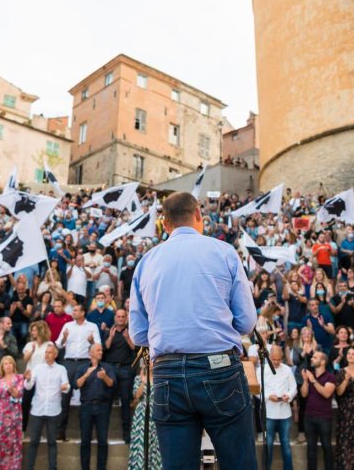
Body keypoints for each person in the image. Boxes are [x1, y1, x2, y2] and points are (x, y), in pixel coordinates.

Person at [129, 192, 258, 470]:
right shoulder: (224, 252)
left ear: (164, 223)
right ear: (199, 214)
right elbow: (247, 322)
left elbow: (139, 335)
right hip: (219, 369)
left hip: (167, 373)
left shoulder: (146, 262)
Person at [54, 302, 101, 441]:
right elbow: (58, 344)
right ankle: (60, 432)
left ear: (82, 313)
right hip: (69, 363)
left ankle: (87, 433)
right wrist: (64, 337)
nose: (73, 312)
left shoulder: (92, 327)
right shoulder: (67, 326)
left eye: (75, 310)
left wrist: (92, 341)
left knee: (86, 398)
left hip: (85, 363)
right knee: (65, 398)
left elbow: (98, 346)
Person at [24, 342, 70, 470]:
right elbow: (28, 386)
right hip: (38, 410)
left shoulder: (61, 369)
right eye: (46, 352)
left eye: (49, 352)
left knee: (52, 442)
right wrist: (27, 379)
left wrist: (65, 387)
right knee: (34, 441)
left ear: (55, 355)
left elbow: (67, 385)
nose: (47, 354)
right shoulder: (38, 368)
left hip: (54, 410)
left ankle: (52, 468)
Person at [76, 343, 116, 470]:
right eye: (98, 350)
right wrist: (87, 375)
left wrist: (104, 377)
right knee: (85, 441)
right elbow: (77, 384)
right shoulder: (82, 368)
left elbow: (111, 384)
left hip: (103, 407)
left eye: (101, 350)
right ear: (91, 353)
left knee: (102, 441)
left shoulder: (107, 367)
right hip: (86, 407)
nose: (101, 352)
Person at [261, 344, 296, 470]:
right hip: (269, 413)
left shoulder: (287, 369)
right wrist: (269, 396)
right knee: (268, 445)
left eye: (279, 359)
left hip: (285, 413)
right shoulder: (262, 370)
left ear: (282, 358)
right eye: (274, 359)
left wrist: (289, 396)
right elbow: (257, 389)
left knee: (286, 444)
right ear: (269, 357)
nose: (276, 362)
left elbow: (293, 388)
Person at [103, 307, 136, 443]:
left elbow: (135, 348)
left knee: (125, 402)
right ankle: (103, 432)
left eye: (123, 317)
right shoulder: (109, 331)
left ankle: (126, 434)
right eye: (118, 316)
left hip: (125, 370)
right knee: (107, 401)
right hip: (111, 369)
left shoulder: (131, 331)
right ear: (115, 318)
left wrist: (128, 338)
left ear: (126, 318)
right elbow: (105, 348)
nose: (121, 319)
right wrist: (110, 337)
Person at [300, 350, 336, 470]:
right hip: (309, 416)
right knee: (311, 447)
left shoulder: (330, 377)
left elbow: (326, 393)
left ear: (323, 361)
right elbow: (304, 394)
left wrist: (313, 381)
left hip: (324, 417)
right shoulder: (310, 376)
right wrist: (305, 380)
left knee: (327, 446)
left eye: (315, 357)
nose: (311, 359)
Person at [128, 362, 162, 470]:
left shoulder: (159, 378)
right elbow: (136, 396)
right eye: (149, 363)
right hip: (141, 413)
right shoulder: (138, 378)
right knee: (141, 441)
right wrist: (143, 382)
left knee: (156, 442)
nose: (151, 365)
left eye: (153, 362)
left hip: (156, 411)